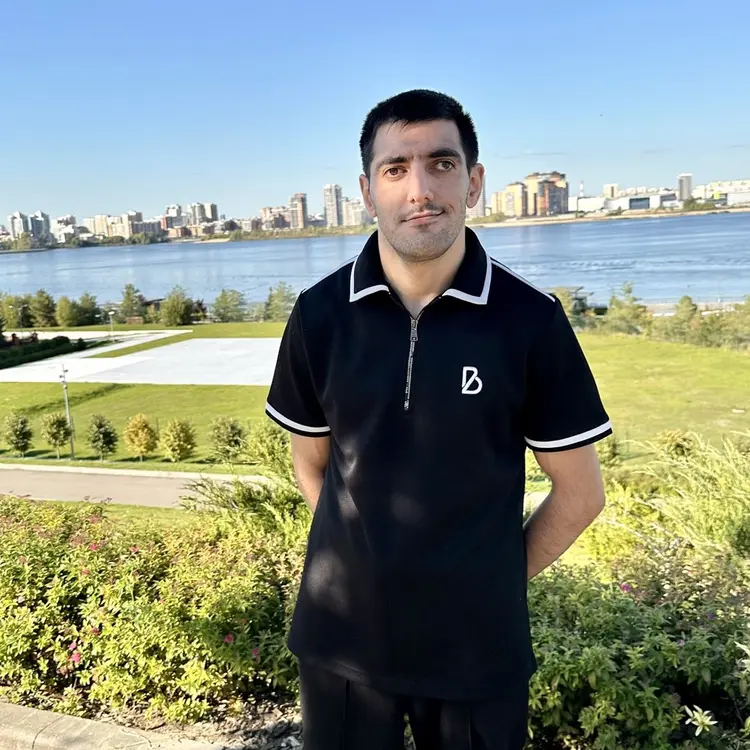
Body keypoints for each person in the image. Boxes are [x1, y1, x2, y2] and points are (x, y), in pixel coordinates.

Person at [265, 89, 612, 750]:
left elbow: (580, 494)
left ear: (474, 182)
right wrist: (370, 567)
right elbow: (312, 465)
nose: (419, 189)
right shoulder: (318, 315)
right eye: (396, 168)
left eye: (442, 164)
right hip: (341, 643)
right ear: (367, 192)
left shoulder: (530, 322)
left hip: (477, 652)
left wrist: (485, 584)